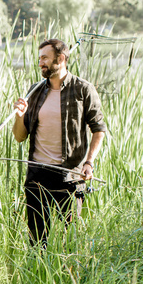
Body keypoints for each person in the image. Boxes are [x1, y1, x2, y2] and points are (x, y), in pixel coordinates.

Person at [11, 38, 107, 246]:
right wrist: (20, 116)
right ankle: (37, 276)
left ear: (61, 58)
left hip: (69, 176)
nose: (40, 63)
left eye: (45, 58)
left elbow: (99, 130)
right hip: (37, 174)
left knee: (70, 240)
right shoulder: (35, 90)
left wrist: (89, 162)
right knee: (37, 242)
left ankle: (70, 277)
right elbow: (20, 136)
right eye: (39, 58)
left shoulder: (83, 89)